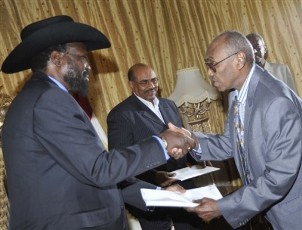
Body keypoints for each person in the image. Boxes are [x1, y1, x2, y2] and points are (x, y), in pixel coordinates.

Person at [0, 15, 196, 230]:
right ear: (57, 58)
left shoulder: (39, 97)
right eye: (82, 58)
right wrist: (162, 142)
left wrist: (158, 195)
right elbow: (99, 169)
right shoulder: (48, 100)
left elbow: (87, 173)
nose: (88, 66)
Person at [179, 30, 302, 229]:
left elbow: (279, 177)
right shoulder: (235, 95)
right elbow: (231, 143)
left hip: (294, 213)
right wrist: (191, 140)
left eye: (212, 64)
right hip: (272, 210)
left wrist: (223, 207)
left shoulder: (275, 101)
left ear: (239, 59)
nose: (209, 72)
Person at [107, 63, 203, 230]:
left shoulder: (170, 105)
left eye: (154, 80)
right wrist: (155, 177)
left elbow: (181, 140)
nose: (151, 86)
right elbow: (121, 161)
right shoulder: (121, 115)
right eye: (144, 82)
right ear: (131, 85)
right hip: (151, 192)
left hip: (183, 186)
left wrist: (196, 158)